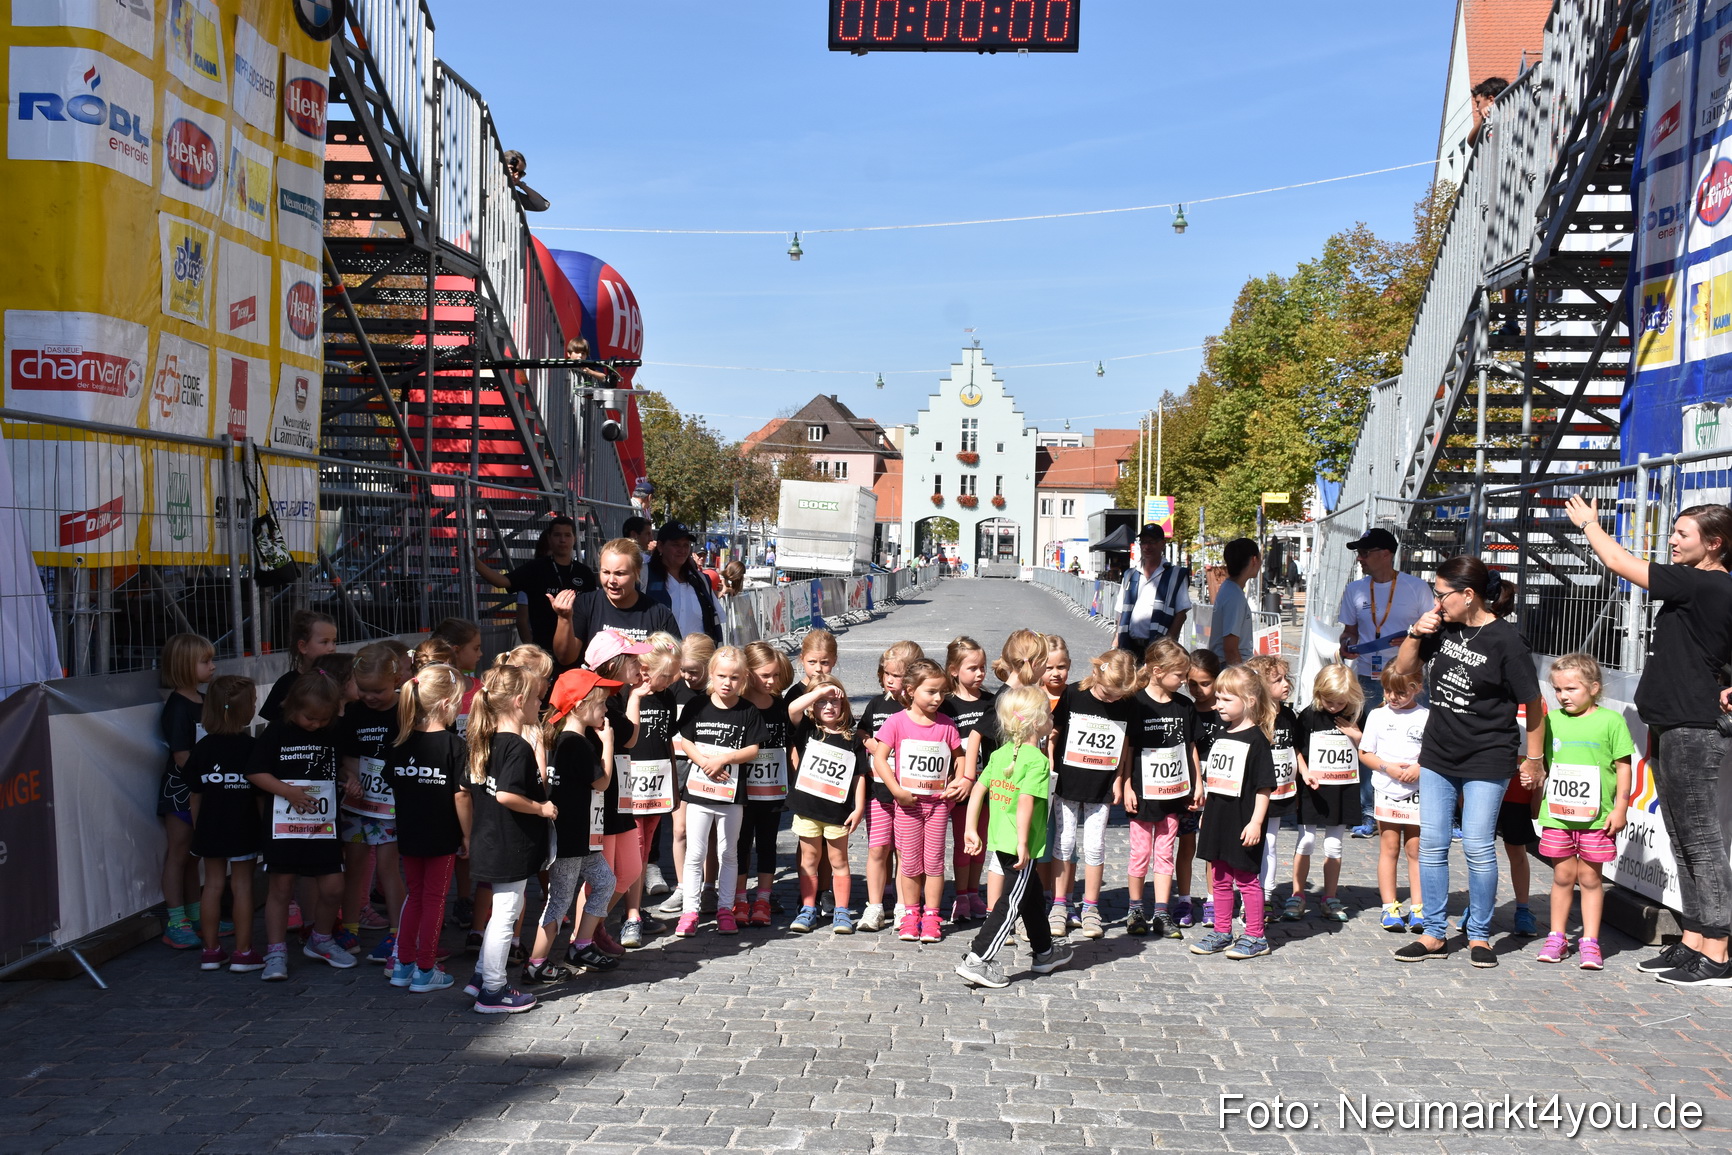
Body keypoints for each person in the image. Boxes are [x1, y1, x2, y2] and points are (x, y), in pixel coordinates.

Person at [1564, 494, 1732, 986]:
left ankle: (1719, 951)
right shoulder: (1702, 587)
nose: (1673, 540)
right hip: (1669, 724)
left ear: (1713, 544)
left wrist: (1591, 525)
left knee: (1701, 840)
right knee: (1682, 839)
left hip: (1693, 728)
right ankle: (1694, 938)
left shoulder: (1705, 583)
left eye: (1683, 534)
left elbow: (1618, 562)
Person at [1386, 555, 1544, 968]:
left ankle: (1480, 936)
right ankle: (1435, 932)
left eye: (1442, 595)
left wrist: (1534, 759)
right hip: (1438, 753)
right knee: (1434, 845)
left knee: (1477, 845)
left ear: (1468, 595)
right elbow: (1403, 669)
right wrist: (1416, 632)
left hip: (1488, 756)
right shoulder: (1440, 629)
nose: (1436, 603)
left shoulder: (1507, 641)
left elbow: (1533, 702)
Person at [954, 687, 1076, 988]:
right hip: (1022, 844)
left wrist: (971, 827)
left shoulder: (1000, 753)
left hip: (1000, 838)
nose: (1052, 718)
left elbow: (979, 789)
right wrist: (1023, 843)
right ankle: (978, 958)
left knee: (1031, 893)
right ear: (1037, 723)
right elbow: (1025, 802)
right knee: (1011, 902)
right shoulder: (1036, 760)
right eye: (1048, 713)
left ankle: (1044, 952)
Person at [245, 672, 352, 981]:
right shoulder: (277, 732)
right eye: (310, 718)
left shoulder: (333, 731)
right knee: (280, 887)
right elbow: (254, 772)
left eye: (323, 718)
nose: (316, 724)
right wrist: (287, 791)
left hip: (322, 825)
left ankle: (321, 939)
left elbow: (340, 764)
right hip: (284, 826)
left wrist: (350, 776)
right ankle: (276, 951)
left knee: (333, 888)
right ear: (291, 707)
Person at [522, 668, 624, 984]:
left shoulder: (555, 736)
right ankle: (536, 963)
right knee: (560, 900)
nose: (606, 710)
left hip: (579, 835)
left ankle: (581, 945)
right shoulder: (577, 743)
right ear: (579, 705)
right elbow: (603, 782)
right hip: (569, 839)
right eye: (601, 703)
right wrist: (608, 743)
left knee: (605, 881)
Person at [1534, 653, 1634, 972]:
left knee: (1590, 878)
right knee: (1563, 875)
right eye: (1558, 690)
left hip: (1597, 818)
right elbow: (1541, 762)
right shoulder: (1551, 720)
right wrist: (1535, 788)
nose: (1563, 696)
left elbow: (1623, 766)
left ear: (1593, 687)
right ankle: (1557, 936)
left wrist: (1620, 807)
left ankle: (1590, 941)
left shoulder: (1611, 721)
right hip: (1559, 816)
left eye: (1571, 689)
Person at [462, 663, 550, 1013]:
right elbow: (507, 795)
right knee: (506, 914)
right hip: (507, 842)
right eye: (536, 699)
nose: (539, 706)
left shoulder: (485, 740)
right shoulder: (516, 746)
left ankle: (482, 976)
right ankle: (494, 991)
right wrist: (542, 808)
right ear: (518, 701)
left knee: (501, 911)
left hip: (489, 840)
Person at [383, 661, 472, 993]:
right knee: (435, 899)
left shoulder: (399, 742)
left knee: (415, 897)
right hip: (441, 835)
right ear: (447, 704)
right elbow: (462, 796)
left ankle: (403, 965)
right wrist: (467, 834)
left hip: (409, 831)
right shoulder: (454, 746)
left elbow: (393, 785)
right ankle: (425, 968)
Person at [1337, 528, 1431, 837]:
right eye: (1358, 553)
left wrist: (1415, 637)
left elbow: (1431, 630)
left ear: (1386, 554)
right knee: (1368, 742)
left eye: (1365, 553)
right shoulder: (1354, 590)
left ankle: (1422, 806)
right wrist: (1347, 642)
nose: (1359, 558)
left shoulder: (1416, 588)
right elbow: (1350, 630)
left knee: (1418, 741)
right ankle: (1369, 812)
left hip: (1408, 676)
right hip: (1367, 675)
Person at [672, 646, 767, 936]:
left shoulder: (748, 711)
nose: (727, 682)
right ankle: (690, 911)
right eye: (722, 676)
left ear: (745, 679)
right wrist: (703, 761)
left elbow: (753, 748)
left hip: (730, 795)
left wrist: (724, 759)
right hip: (699, 792)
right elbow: (686, 739)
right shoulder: (697, 705)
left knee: (729, 852)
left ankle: (726, 908)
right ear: (711, 674)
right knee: (695, 853)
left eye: (735, 678)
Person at [1050, 649, 1140, 941]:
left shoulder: (1126, 703)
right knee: (1064, 843)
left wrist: (1120, 780)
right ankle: (1059, 904)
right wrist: (1050, 764)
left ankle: (1090, 907)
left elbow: (1125, 745)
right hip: (1069, 781)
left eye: (1117, 695)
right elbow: (1055, 731)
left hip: (1102, 785)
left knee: (1095, 846)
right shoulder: (1074, 693)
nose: (1112, 699)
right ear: (1096, 673)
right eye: (1108, 693)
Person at [873, 658, 964, 944]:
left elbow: (959, 758)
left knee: (934, 864)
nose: (938, 698)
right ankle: (910, 914)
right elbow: (879, 757)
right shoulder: (897, 722)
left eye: (942, 692)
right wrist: (896, 790)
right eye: (931, 692)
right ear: (911, 690)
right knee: (910, 864)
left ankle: (932, 915)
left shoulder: (947, 725)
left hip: (937, 806)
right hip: (908, 807)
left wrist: (959, 782)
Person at [1189, 663, 1277, 960]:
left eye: (1226, 699)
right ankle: (1222, 931)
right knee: (1220, 876)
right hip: (1218, 817)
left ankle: (1255, 936)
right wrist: (1208, 811)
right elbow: (1216, 778)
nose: (1218, 705)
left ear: (1249, 701)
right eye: (1218, 698)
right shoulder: (1222, 734)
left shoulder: (1258, 740)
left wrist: (1256, 822)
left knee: (1247, 880)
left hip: (1244, 820)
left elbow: (1264, 787)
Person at [335, 643, 411, 964]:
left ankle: (398, 932)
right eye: (364, 690)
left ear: (396, 680)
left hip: (392, 807)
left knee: (387, 869)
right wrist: (350, 778)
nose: (370, 697)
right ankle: (349, 928)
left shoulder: (406, 709)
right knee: (354, 869)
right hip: (358, 804)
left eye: (377, 690)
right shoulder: (353, 713)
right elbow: (348, 755)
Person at [1124, 639, 1200, 939]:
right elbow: (1127, 749)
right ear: (1157, 671)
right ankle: (1135, 909)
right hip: (1143, 792)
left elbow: (1190, 746)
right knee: (1140, 852)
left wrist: (1198, 783)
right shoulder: (1136, 703)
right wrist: (1127, 784)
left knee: (1165, 852)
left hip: (1174, 792)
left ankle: (1161, 911)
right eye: (1179, 676)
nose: (1184, 682)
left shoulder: (1184, 706)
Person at [187, 676, 261, 972]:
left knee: (213, 885)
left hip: (210, 828)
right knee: (242, 886)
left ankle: (211, 950)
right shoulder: (253, 747)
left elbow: (195, 794)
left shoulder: (203, 748)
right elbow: (260, 796)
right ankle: (243, 952)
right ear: (247, 711)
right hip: (244, 827)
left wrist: (198, 828)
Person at [786, 675, 869, 934]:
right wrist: (819, 691)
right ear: (813, 706)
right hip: (807, 810)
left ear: (844, 704)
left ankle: (842, 911)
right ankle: (808, 908)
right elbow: (792, 709)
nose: (829, 707)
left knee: (838, 860)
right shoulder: (808, 730)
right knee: (809, 859)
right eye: (822, 702)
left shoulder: (852, 739)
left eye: (835, 701)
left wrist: (859, 808)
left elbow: (859, 776)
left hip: (838, 813)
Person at [857, 640, 924, 931]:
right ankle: (874, 906)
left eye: (898, 676)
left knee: (904, 851)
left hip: (909, 793)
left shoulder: (919, 708)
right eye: (888, 675)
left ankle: (902, 905)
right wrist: (869, 742)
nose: (892, 682)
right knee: (877, 849)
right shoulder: (876, 704)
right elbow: (861, 729)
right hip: (878, 791)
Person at [1292, 664, 1366, 922]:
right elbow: (1297, 748)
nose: (1334, 707)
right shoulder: (1309, 716)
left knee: (1334, 844)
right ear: (1318, 693)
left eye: (1340, 702)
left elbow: (1369, 749)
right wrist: (1303, 771)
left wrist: (1357, 736)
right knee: (1306, 841)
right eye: (1329, 701)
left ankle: (1329, 896)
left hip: (1343, 789)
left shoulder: (1357, 714)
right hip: (1314, 788)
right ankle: (1298, 894)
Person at [159, 632, 216, 949]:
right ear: (183, 666)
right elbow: (181, 756)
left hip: (202, 788)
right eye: (205, 661)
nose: (213, 667)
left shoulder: (203, 701)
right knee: (178, 854)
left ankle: (196, 914)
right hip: (181, 791)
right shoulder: (178, 707)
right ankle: (175, 920)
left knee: (194, 856)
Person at [1358, 667, 1427, 931]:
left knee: (1415, 850)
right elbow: (1366, 753)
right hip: (1387, 789)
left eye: (1400, 692)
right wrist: (1388, 768)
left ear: (1416, 688)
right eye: (1388, 691)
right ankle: (1389, 906)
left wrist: (1418, 768)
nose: (1393, 697)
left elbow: (1433, 752)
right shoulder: (1377, 715)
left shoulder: (1426, 716)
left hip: (1417, 791)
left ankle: (1418, 907)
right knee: (1389, 848)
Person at [475, 515, 597, 656]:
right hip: (543, 649)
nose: (562, 540)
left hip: (576, 649)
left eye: (567, 535)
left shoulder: (585, 573)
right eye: (557, 535)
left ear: (574, 538)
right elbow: (502, 582)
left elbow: (592, 612)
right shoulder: (535, 568)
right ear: (549, 538)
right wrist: (476, 563)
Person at [550, 538, 679, 667]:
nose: (611, 580)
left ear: (637, 572)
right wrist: (564, 619)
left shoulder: (659, 614)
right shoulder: (585, 604)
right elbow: (565, 658)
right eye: (605, 572)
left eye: (620, 573)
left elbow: (674, 664)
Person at [737, 642, 794, 927]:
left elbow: (791, 745)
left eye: (775, 676)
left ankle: (763, 897)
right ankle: (738, 897)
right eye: (764, 675)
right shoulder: (739, 705)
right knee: (741, 843)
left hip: (772, 790)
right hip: (742, 790)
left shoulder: (780, 706)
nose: (771, 682)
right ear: (747, 673)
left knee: (768, 843)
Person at [941, 636, 996, 923]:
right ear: (953, 670)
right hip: (954, 786)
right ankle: (960, 893)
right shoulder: (945, 704)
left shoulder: (991, 701)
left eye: (983, 667)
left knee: (980, 842)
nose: (980, 673)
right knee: (963, 843)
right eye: (972, 668)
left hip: (983, 785)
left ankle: (974, 892)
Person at [1246, 654, 1301, 916]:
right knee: (1251, 843)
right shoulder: (1252, 718)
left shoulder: (1289, 715)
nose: (1285, 684)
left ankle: (1265, 895)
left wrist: (1305, 771)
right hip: (1253, 793)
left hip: (1279, 792)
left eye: (1285, 678)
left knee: (1270, 842)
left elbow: (1295, 748)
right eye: (1277, 680)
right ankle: (1248, 893)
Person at [1183, 649, 1227, 927]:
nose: (1198, 690)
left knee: (1212, 846)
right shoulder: (1186, 709)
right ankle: (1184, 899)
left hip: (1221, 787)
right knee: (1186, 844)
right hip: (1191, 787)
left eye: (1205, 683)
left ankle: (1213, 899)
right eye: (1192, 684)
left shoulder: (1227, 709)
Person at [1114, 523, 1193, 655]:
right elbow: (1121, 613)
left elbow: (1181, 615)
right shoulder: (1130, 574)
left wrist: (1166, 647)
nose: (1147, 547)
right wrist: (1115, 644)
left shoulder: (1175, 575)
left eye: (1152, 542)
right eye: (1143, 542)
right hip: (1128, 646)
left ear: (1162, 544)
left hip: (1158, 649)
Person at [645, 523, 722, 642]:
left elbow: (714, 623)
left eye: (686, 545)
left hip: (697, 658)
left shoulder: (701, 581)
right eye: (676, 545)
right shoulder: (644, 577)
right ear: (660, 546)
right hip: (658, 657)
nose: (682, 550)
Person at [260, 610, 337, 722]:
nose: (331, 648)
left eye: (334, 641)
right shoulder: (286, 683)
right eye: (324, 642)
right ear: (303, 646)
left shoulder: (339, 680)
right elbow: (274, 723)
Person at [1208, 539, 1259, 665]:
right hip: (1229, 667)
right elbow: (1230, 648)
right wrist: (1240, 679)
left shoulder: (1230, 589)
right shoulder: (1234, 596)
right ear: (1254, 560)